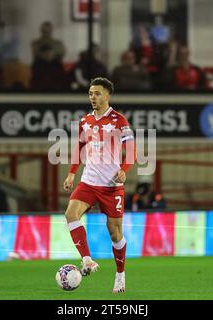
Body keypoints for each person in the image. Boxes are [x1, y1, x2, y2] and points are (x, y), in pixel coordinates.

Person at [63, 77, 137, 293]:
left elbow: (131, 151)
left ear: (107, 96)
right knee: (70, 214)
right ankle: (87, 260)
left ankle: (120, 275)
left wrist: (124, 170)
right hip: (89, 181)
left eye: (97, 93)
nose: (92, 97)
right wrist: (71, 174)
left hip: (111, 186)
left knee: (115, 234)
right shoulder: (84, 121)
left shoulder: (119, 120)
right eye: (90, 93)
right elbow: (78, 148)